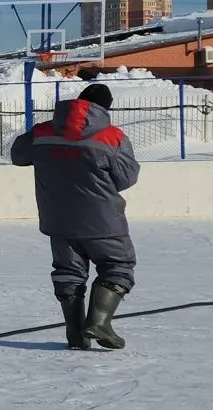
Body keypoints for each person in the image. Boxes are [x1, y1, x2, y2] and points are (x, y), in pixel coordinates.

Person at [9, 83, 139, 349]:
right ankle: (99, 323)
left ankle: (76, 335)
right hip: (103, 221)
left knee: (69, 272)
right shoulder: (112, 137)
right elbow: (126, 178)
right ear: (106, 107)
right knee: (118, 266)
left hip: (58, 219)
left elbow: (18, 155)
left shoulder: (43, 131)